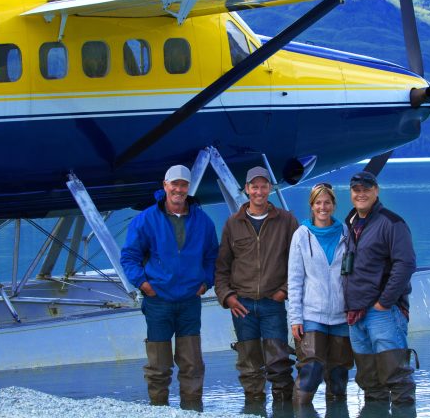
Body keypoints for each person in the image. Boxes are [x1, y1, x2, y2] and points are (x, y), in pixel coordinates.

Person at [120, 165, 219, 410]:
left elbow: (212, 257)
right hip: (158, 301)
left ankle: (193, 410)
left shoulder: (203, 221)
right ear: (165, 185)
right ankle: (158, 408)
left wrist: (206, 282)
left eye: (183, 185)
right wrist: (144, 284)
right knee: (158, 366)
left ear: (188, 188)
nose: (179, 189)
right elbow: (129, 257)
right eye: (174, 184)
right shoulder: (146, 219)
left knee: (192, 364)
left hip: (189, 301)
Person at [215, 166, 299, 402]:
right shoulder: (233, 223)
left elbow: (298, 262)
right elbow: (222, 267)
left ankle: (284, 408)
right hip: (242, 306)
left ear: (270, 188)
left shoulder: (287, 220)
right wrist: (227, 297)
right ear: (247, 189)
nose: (259, 191)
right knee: (249, 365)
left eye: (263, 186)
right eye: (254, 187)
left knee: (279, 362)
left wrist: (284, 291)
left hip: (273, 303)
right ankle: (254, 407)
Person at [342, 170, 417, 409]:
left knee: (397, 377)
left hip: (382, 312)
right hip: (355, 314)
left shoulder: (392, 222)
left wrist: (384, 302)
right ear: (351, 193)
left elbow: (405, 264)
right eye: (356, 190)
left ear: (376, 191)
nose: (361, 194)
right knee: (370, 382)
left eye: (366, 189)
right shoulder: (350, 223)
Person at [288, 182, 354, 404]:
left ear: (334, 205)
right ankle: (300, 411)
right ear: (312, 206)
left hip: (341, 316)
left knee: (339, 375)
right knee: (311, 371)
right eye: (318, 203)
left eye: (327, 202)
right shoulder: (301, 235)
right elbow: (294, 280)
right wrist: (295, 318)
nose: (322, 207)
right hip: (311, 315)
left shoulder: (345, 232)